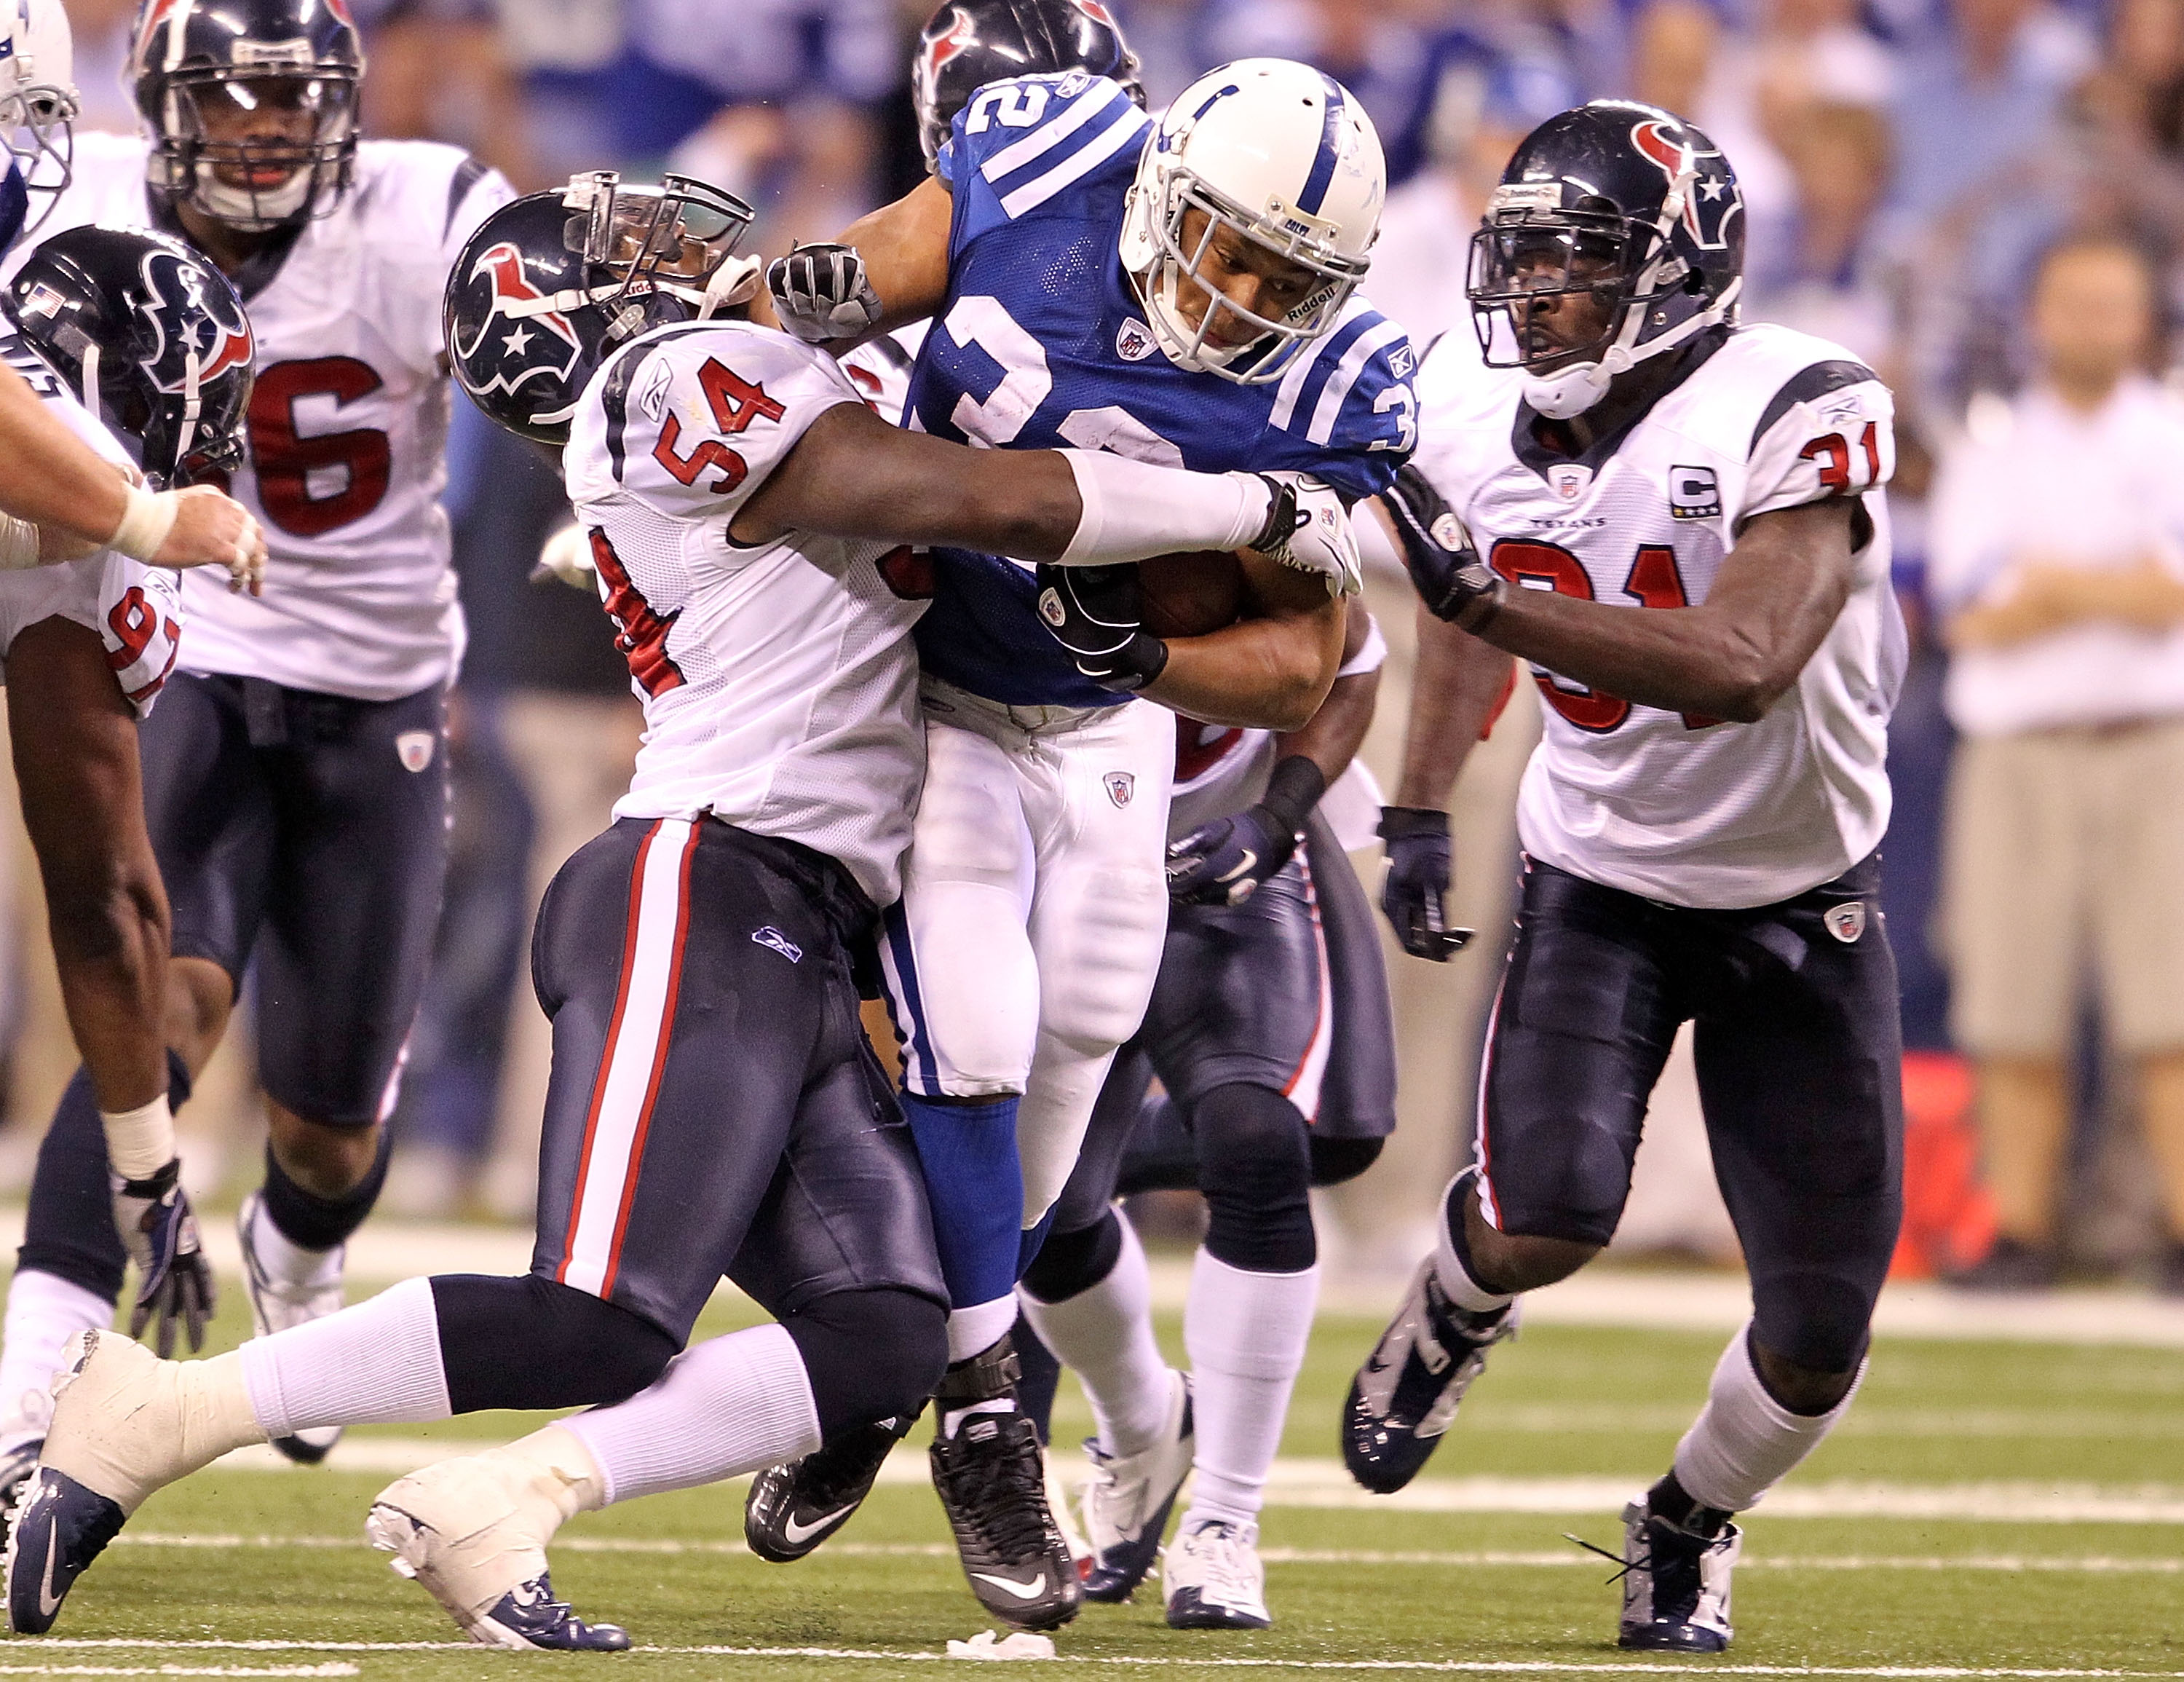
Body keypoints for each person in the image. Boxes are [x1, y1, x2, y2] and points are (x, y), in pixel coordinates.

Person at [4, 165, 1369, 1649]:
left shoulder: (769, 371)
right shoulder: (666, 381)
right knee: (599, 1313)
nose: (672, 248)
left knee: (881, 1335)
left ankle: (504, 1504)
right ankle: (156, 1412)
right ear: (572, 322)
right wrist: (1257, 499)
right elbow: (971, 496)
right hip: (696, 883)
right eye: (616, 254)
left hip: (802, 913)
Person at [756, 39, 1409, 1629]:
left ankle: (929, 1372)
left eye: (1283, 273)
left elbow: (1310, 663)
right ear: (1163, 187)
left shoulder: (1334, 384)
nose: (1245, 291)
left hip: (1103, 727)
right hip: (945, 699)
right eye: (1230, 243)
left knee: (1084, 1044)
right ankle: (973, 1415)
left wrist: (1153, 664)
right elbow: (859, 280)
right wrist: (757, 309)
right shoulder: (1050, 158)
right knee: (972, 1030)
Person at [1349, 100, 1902, 1655]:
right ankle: (1457, 1305)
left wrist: (1495, 603)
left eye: (1580, 261)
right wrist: (1421, 806)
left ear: (1681, 270)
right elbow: (1465, 611)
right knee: (1548, 1210)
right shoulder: (1460, 404)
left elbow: (1741, 662)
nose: (1536, 296)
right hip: (1601, 868)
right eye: (1521, 260)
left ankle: (1685, 1523)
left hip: (1803, 891)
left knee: (1814, 1336)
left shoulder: (1799, 399)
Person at [0, 0, 519, 1477]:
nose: (264, 126)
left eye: (292, 96)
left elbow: (540, 319)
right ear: (160, 103)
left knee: (331, 1133)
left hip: (379, 687)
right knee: (148, 1001)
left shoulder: (424, 204)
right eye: (229, 97)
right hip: (190, 653)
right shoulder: (75, 192)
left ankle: (297, 1264)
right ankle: (35, 1379)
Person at [1011, 597, 1396, 1630]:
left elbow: (1351, 658)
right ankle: (1145, 1424)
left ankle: (1225, 1520)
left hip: (1221, 864)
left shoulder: (1259, 488)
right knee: (1036, 1214)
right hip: (1046, 854)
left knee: (1260, 1134)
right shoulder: (1003, 479)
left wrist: (1276, 817)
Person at [0, 0, 267, 1450]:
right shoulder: (116, 505)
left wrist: (147, 1162)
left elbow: (102, 889)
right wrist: (149, 512)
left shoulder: (81, 572)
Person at [1929, 236, 2184, 1292]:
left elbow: (2167, 596)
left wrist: (2054, 585)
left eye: (2112, 303)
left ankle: (2174, 1228)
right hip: (2019, 750)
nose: (2091, 322)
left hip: (2151, 743)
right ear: (2036, 315)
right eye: (2072, 302)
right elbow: (1972, 615)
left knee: (2171, 1010)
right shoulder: (1992, 448)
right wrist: (2112, 582)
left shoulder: (2172, 435)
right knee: (2012, 1005)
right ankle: (2021, 1228)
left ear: (2144, 318)